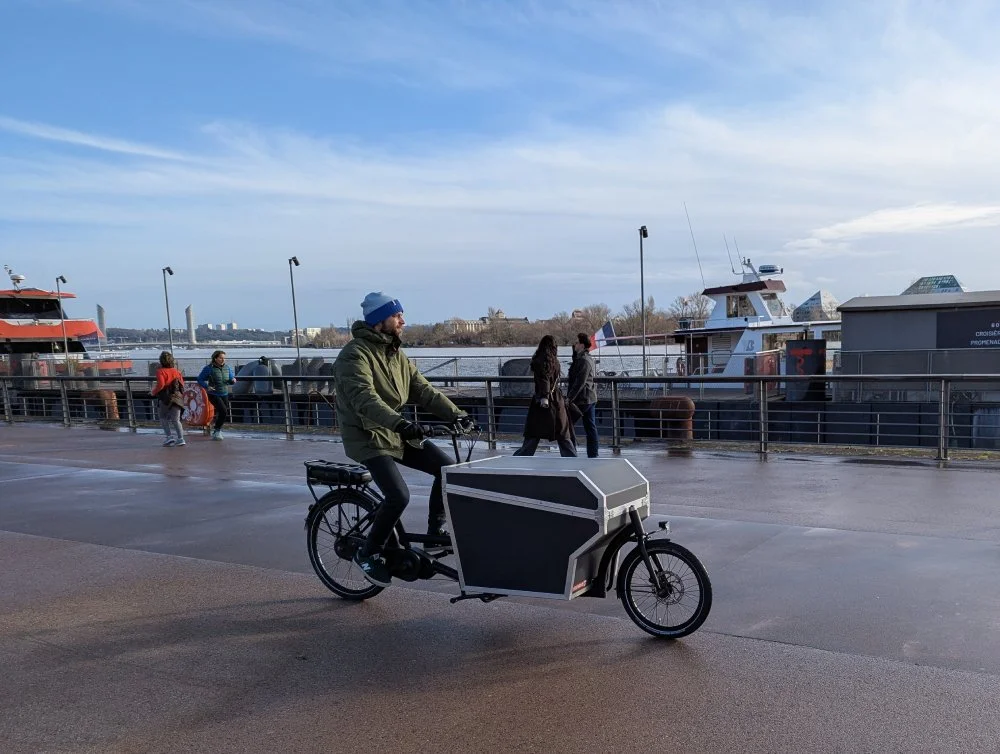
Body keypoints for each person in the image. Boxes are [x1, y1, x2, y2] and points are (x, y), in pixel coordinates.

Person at [334, 292, 473, 587]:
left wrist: (457, 415)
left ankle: (436, 533)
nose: (403, 321)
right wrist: (402, 424)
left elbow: (423, 391)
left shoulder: (396, 354)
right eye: (397, 316)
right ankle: (368, 553)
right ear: (379, 320)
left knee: (449, 471)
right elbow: (365, 400)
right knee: (399, 496)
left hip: (395, 432)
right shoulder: (353, 355)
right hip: (367, 435)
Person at [513, 334, 577, 458]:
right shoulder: (555, 362)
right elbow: (549, 380)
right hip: (557, 401)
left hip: (542, 401)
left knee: (533, 435)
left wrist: (544, 397)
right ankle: (572, 460)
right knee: (563, 435)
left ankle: (518, 459)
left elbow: (544, 380)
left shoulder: (538, 361)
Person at [567, 332, 599, 458]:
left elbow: (580, 381)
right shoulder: (582, 358)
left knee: (568, 425)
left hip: (583, 399)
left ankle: (571, 453)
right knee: (590, 427)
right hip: (588, 398)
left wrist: (569, 398)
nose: (574, 345)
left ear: (581, 344)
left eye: (576, 343)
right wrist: (574, 352)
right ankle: (592, 454)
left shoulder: (584, 361)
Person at [197, 350, 236, 440]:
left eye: (224, 358)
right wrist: (207, 386)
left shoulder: (227, 368)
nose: (223, 360)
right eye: (221, 358)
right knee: (223, 411)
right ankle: (217, 431)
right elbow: (200, 379)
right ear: (215, 358)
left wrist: (233, 380)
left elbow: (231, 379)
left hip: (224, 393)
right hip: (213, 393)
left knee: (223, 413)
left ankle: (216, 430)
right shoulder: (209, 368)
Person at [151, 351, 186, 447]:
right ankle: (180, 439)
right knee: (176, 419)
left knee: (163, 417)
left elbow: (161, 384)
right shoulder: (177, 371)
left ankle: (169, 437)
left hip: (165, 398)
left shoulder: (160, 371)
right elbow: (182, 384)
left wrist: (153, 392)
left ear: (161, 361)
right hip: (177, 397)